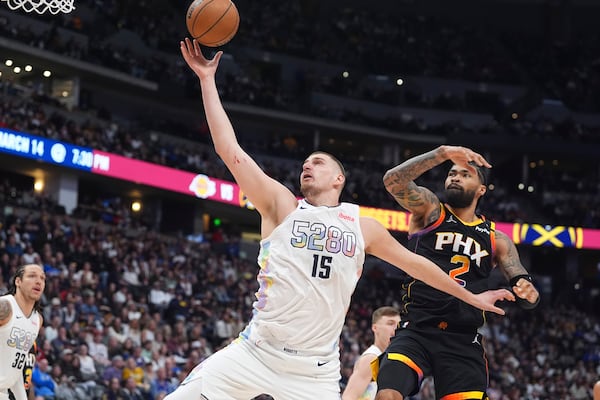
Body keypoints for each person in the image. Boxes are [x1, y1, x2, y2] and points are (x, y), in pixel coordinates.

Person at [170, 39, 514, 400]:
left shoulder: (361, 226)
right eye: (305, 162)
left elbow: (418, 265)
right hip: (255, 352)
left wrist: (472, 299)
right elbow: (229, 149)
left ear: (339, 179)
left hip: (314, 373)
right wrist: (206, 79)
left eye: (318, 162)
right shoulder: (281, 205)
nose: (307, 164)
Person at [375, 145, 541, 400]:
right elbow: (392, 180)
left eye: (465, 174)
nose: (455, 176)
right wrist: (441, 154)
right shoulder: (430, 210)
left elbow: (518, 275)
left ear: (481, 189)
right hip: (417, 327)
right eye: (452, 172)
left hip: (462, 338)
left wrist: (527, 291)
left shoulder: (497, 238)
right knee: (388, 394)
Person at [1, 264, 46, 400]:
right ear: (18, 281)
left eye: (42, 278)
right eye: (32, 276)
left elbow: (17, 368)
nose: (38, 281)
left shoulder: (37, 320)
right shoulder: (5, 307)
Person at [342, 307, 401, 400]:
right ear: (375, 328)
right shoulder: (371, 358)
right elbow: (349, 396)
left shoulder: (391, 360)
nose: (396, 329)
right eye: (390, 323)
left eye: (398, 325)